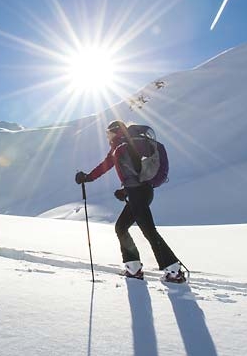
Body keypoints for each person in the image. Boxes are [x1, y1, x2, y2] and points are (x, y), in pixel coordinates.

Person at [75, 120, 186, 284]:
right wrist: (126, 189)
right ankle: (135, 268)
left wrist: (88, 178)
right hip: (142, 192)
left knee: (148, 231)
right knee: (122, 227)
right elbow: (134, 170)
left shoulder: (121, 147)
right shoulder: (126, 145)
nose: (107, 137)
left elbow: (115, 167)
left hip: (138, 193)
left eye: (108, 133)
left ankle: (173, 271)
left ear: (115, 131)